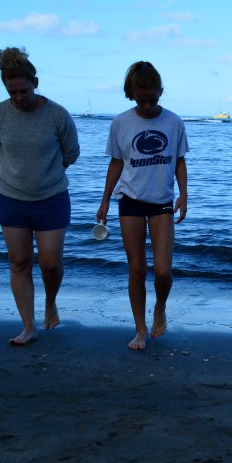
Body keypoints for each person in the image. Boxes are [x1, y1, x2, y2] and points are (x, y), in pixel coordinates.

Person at [0, 47, 80, 345]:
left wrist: (43, 173)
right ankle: (29, 326)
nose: (19, 97)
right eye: (12, 92)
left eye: (23, 90)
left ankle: (50, 302)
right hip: (10, 199)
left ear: (35, 82)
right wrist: (16, 173)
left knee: (50, 263)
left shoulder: (58, 115)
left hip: (51, 198)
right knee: (20, 262)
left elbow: (71, 154)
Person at [97, 61, 188, 350]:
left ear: (161, 92)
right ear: (131, 93)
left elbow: (181, 161)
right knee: (137, 269)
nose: (147, 106)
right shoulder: (121, 123)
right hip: (130, 201)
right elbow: (116, 162)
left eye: (153, 99)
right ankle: (139, 329)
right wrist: (104, 201)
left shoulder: (173, 122)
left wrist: (184, 196)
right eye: (141, 99)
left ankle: (159, 308)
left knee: (163, 270)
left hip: (162, 201)